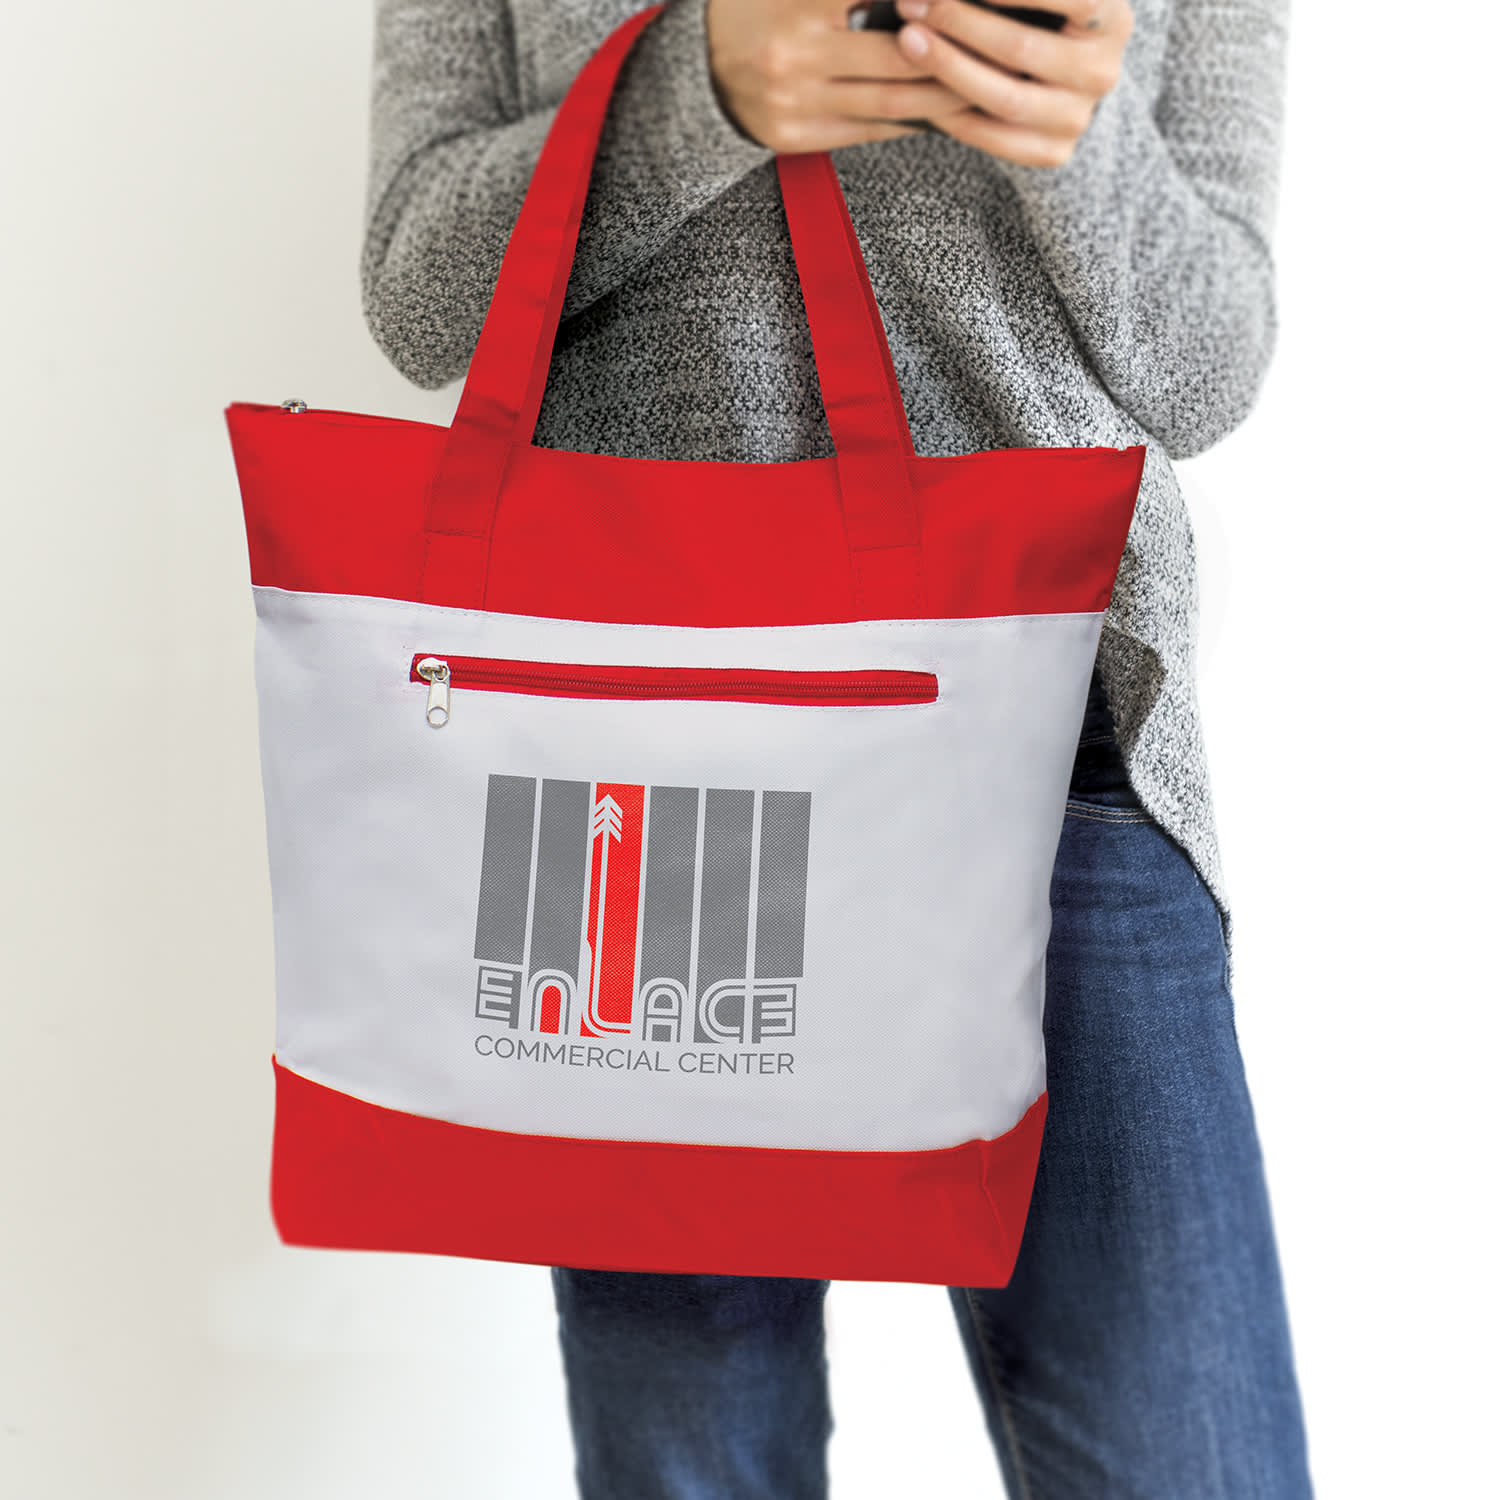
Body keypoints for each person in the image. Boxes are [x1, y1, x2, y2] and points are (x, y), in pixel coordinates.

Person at [360, 0, 1312, 1493]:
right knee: (692, 1460)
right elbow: (424, 303)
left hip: (1057, 732)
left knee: (1189, 1456)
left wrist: (1077, 138)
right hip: (646, 760)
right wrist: (694, 92)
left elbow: (1207, 372)